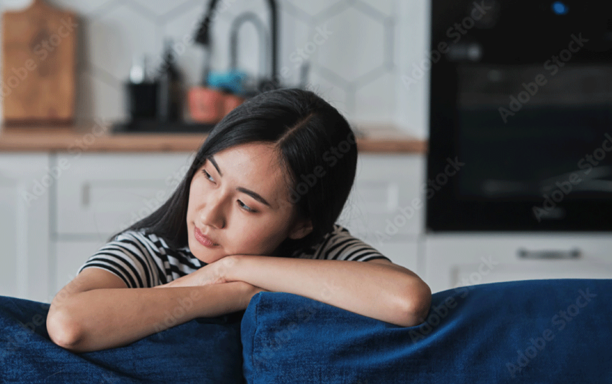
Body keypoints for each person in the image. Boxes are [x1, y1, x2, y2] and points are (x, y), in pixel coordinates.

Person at [47, 88, 432, 353]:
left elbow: (407, 300)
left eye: (246, 205)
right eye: (209, 176)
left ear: (302, 224)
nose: (208, 213)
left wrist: (236, 266)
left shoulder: (322, 249)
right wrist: (217, 286)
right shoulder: (152, 252)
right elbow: (68, 323)